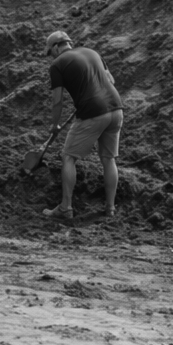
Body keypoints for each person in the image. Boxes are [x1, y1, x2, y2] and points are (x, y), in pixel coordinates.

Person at [42, 30, 123, 220]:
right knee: (109, 159)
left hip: (93, 112)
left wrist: (55, 125)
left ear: (55, 47)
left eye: (49, 52)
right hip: (116, 109)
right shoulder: (92, 52)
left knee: (68, 157)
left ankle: (65, 208)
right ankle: (110, 208)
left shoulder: (57, 65)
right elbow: (111, 80)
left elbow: (57, 101)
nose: (50, 57)